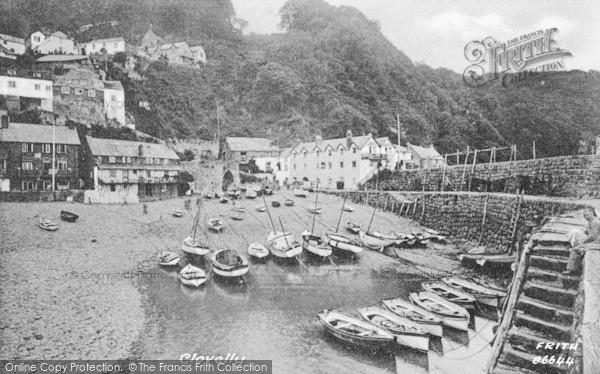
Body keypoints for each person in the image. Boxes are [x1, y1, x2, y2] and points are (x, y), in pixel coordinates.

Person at [563, 209, 600, 275]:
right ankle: (574, 267)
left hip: (596, 243)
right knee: (577, 244)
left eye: (587, 215)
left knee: (575, 249)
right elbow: (589, 233)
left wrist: (582, 242)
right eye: (584, 216)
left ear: (591, 213)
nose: (586, 217)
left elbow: (592, 237)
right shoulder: (592, 221)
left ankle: (570, 269)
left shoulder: (595, 223)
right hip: (595, 241)